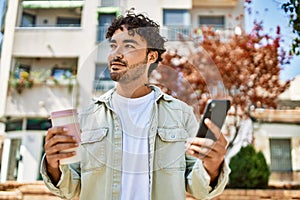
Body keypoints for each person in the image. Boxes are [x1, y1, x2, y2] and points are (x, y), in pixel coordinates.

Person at [40, 11, 230, 200]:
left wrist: (212, 167)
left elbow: (197, 188)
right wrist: (53, 164)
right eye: (113, 46)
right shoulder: (87, 118)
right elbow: (70, 189)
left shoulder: (181, 114)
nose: (116, 54)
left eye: (128, 46)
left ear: (151, 56)